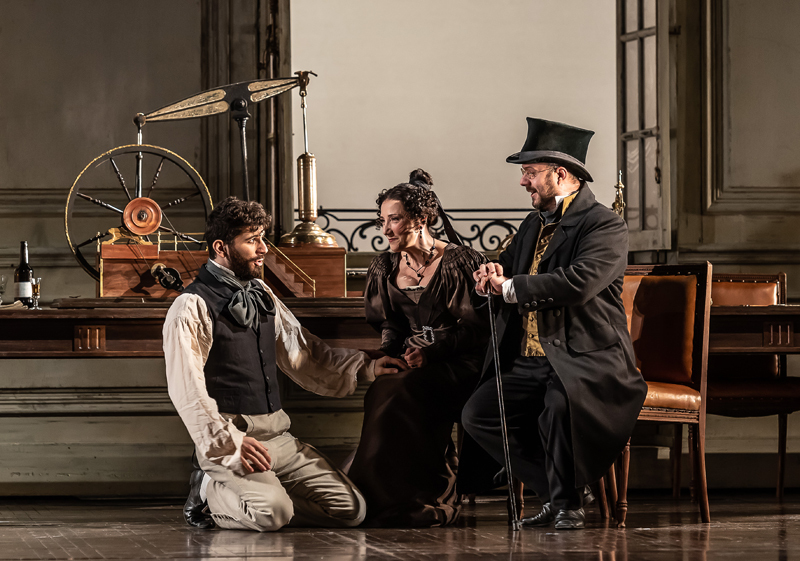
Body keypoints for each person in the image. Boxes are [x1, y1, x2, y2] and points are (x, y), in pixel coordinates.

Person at [163, 196, 405, 532]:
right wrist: (229, 443)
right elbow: (186, 389)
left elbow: (304, 352)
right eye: (252, 240)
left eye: (263, 237)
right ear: (221, 247)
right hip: (235, 441)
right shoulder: (190, 306)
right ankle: (208, 490)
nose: (263, 248)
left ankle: (270, 501)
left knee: (351, 510)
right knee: (271, 514)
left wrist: (366, 367)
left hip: (279, 437)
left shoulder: (262, 291)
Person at [461, 118, 648, 530]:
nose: (523, 182)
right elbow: (506, 270)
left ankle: (566, 504)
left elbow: (579, 283)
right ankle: (560, 493)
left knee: (559, 406)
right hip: (531, 358)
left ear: (560, 174)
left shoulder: (604, 224)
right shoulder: (532, 223)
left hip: (586, 355)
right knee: (478, 414)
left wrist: (508, 286)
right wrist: (490, 276)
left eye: (530, 173)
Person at [346, 169, 489, 527]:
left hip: (460, 363)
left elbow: (476, 330)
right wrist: (390, 352)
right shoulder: (385, 266)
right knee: (385, 386)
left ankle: (425, 498)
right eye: (382, 220)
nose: (386, 229)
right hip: (415, 361)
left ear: (422, 219)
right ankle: (376, 497)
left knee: (405, 390)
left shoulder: (460, 262)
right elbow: (390, 324)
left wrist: (433, 351)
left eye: (395, 219)